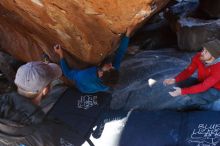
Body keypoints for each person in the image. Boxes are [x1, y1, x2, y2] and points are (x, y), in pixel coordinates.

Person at [54, 16, 145, 93]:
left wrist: (61, 55)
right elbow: (120, 54)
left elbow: (68, 74)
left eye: (109, 67)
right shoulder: (110, 75)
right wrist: (127, 34)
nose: (111, 65)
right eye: (112, 67)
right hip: (96, 86)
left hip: (83, 87)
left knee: (76, 75)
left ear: (101, 73)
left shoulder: (85, 75)